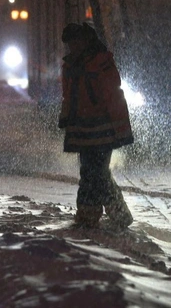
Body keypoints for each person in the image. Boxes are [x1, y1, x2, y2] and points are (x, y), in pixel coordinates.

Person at [58, 22, 134, 230]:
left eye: (74, 42)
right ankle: (97, 214)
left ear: (84, 41)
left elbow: (113, 97)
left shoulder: (99, 64)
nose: (71, 47)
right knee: (92, 173)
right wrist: (66, 117)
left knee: (96, 174)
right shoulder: (75, 65)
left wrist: (121, 131)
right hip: (87, 132)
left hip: (100, 132)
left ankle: (94, 215)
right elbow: (69, 97)